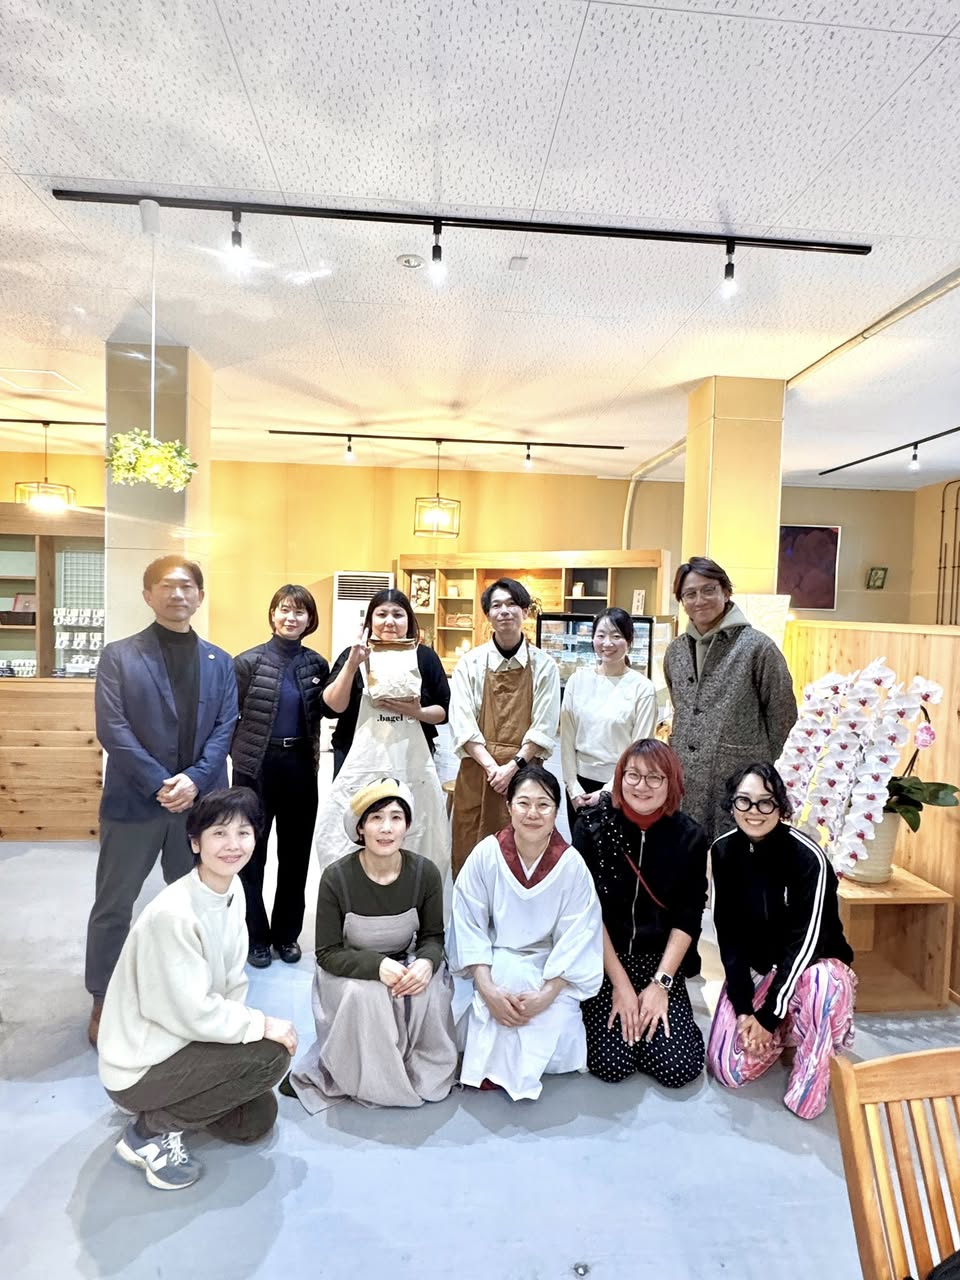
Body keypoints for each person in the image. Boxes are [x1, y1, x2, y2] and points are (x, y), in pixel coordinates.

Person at [97, 787, 298, 1190]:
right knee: (270, 1057)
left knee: (254, 1119)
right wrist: (258, 1026)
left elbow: (230, 982)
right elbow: (190, 1011)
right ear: (195, 842)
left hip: (184, 1039)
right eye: (219, 833)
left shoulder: (232, 890)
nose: (233, 845)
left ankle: (169, 1107)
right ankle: (148, 1133)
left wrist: (237, 1036)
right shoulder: (174, 914)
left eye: (243, 833)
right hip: (140, 1064)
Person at [85, 556, 238, 1048]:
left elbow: (225, 728)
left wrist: (193, 780)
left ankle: (193, 992)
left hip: (199, 808)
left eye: (187, 586)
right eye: (167, 586)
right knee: (114, 904)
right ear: (148, 595)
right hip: (133, 803)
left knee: (198, 903)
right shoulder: (119, 656)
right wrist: (160, 783)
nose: (178, 594)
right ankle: (104, 996)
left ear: (200, 596)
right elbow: (113, 728)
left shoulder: (220, 661)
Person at [287, 779, 457, 1110]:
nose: (386, 828)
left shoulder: (424, 873)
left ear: (407, 825)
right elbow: (327, 952)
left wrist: (425, 962)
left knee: (431, 987)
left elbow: (433, 937)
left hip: (405, 960)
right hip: (349, 969)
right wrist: (377, 966)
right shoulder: (337, 878)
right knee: (366, 995)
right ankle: (371, 1079)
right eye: (376, 818)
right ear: (360, 828)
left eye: (396, 818)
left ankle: (421, 1070)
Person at [706, 762, 856, 1120]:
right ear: (732, 804)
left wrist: (768, 1015)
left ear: (781, 806)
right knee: (728, 1069)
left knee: (822, 984)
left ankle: (811, 1065)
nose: (754, 811)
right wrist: (746, 1010)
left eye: (766, 802)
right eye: (744, 800)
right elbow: (728, 934)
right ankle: (787, 1030)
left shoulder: (808, 858)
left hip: (809, 969)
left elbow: (805, 945)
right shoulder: (723, 851)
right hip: (760, 970)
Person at [447, 764, 603, 1101]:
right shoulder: (487, 854)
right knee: (504, 986)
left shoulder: (571, 865)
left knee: (547, 1012)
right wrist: (487, 988)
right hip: (497, 959)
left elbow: (580, 934)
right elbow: (467, 922)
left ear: (557, 811)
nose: (533, 813)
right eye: (524, 803)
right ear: (508, 807)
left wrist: (547, 993)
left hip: (551, 966)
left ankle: (504, 1063)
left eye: (544, 804)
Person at [575, 739, 708, 1090]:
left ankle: (654, 1023)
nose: (641, 786)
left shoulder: (690, 836)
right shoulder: (592, 827)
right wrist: (620, 985)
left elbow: (688, 916)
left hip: (660, 963)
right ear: (619, 778)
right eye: (632, 775)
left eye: (654, 778)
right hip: (607, 959)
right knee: (611, 1064)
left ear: (671, 782)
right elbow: (587, 912)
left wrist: (660, 985)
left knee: (677, 1067)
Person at [314, 588, 451, 876]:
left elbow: (443, 711)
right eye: (382, 614)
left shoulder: (424, 657)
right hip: (356, 760)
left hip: (411, 761)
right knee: (355, 827)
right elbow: (331, 707)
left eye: (398, 614)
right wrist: (352, 664)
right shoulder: (354, 655)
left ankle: (409, 891)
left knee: (415, 831)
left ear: (409, 621)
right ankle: (354, 890)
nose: (390, 621)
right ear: (369, 621)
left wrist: (417, 712)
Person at [663, 556, 797, 843]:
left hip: (739, 781)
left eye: (708, 590)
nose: (700, 600)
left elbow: (783, 714)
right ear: (682, 601)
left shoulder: (757, 648)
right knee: (688, 853)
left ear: (725, 592)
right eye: (690, 594)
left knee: (735, 856)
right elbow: (682, 706)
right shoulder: (675, 651)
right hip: (686, 780)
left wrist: (757, 761)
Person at [231, 585, 329, 969]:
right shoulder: (247, 662)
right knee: (249, 854)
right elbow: (227, 719)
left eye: (299, 612)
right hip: (255, 768)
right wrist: (241, 754)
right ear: (272, 614)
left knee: (295, 855)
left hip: (300, 766)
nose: (291, 617)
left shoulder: (317, 665)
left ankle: (286, 935)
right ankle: (255, 936)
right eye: (284, 610)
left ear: (310, 619)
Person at [449, 578, 561, 877]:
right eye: (497, 605)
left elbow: (544, 725)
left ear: (525, 611)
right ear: (488, 614)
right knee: (471, 852)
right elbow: (462, 723)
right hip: (477, 773)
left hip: (525, 775)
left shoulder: (544, 666)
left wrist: (512, 768)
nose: (505, 611)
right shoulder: (470, 664)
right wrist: (492, 768)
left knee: (522, 853)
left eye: (512, 604)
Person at [560, 607, 657, 833]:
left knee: (619, 853)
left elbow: (639, 750)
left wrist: (608, 791)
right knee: (581, 850)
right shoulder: (577, 681)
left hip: (623, 786)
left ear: (629, 641)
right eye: (601, 635)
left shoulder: (642, 688)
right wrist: (572, 787)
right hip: (579, 788)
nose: (607, 643)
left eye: (616, 636)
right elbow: (566, 739)